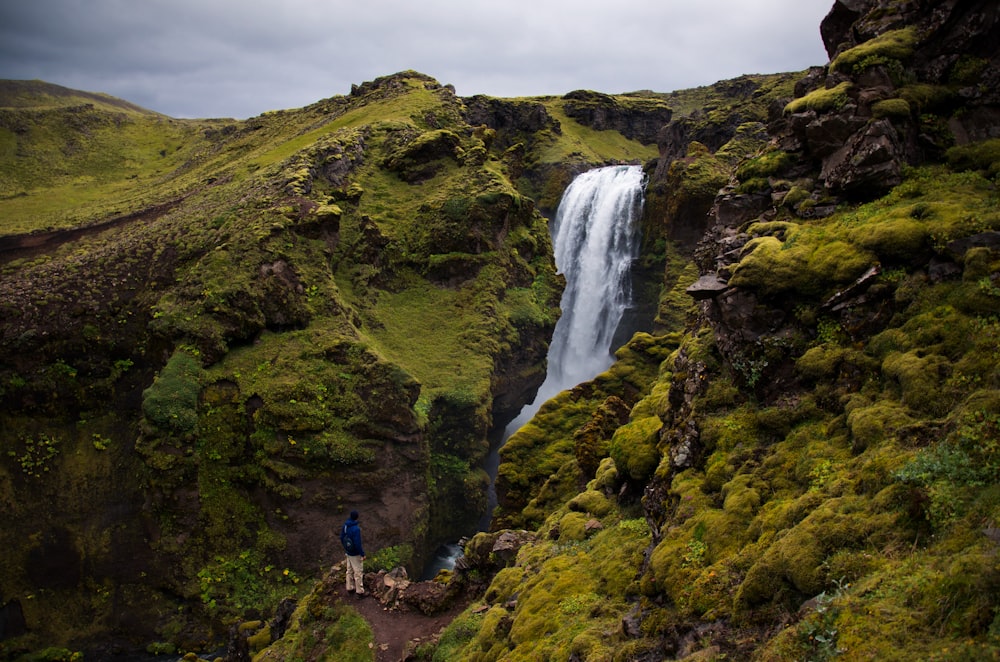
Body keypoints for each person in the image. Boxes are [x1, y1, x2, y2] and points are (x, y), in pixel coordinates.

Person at [340, 510, 365, 595]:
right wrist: (362, 553)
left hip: (348, 551)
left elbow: (341, 537)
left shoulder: (345, 526)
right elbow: (357, 543)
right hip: (355, 553)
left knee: (349, 570)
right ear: (357, 517)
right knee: (358, 572)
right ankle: (360, 592)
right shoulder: (356, 529)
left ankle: (349, 587)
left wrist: (346, 547)